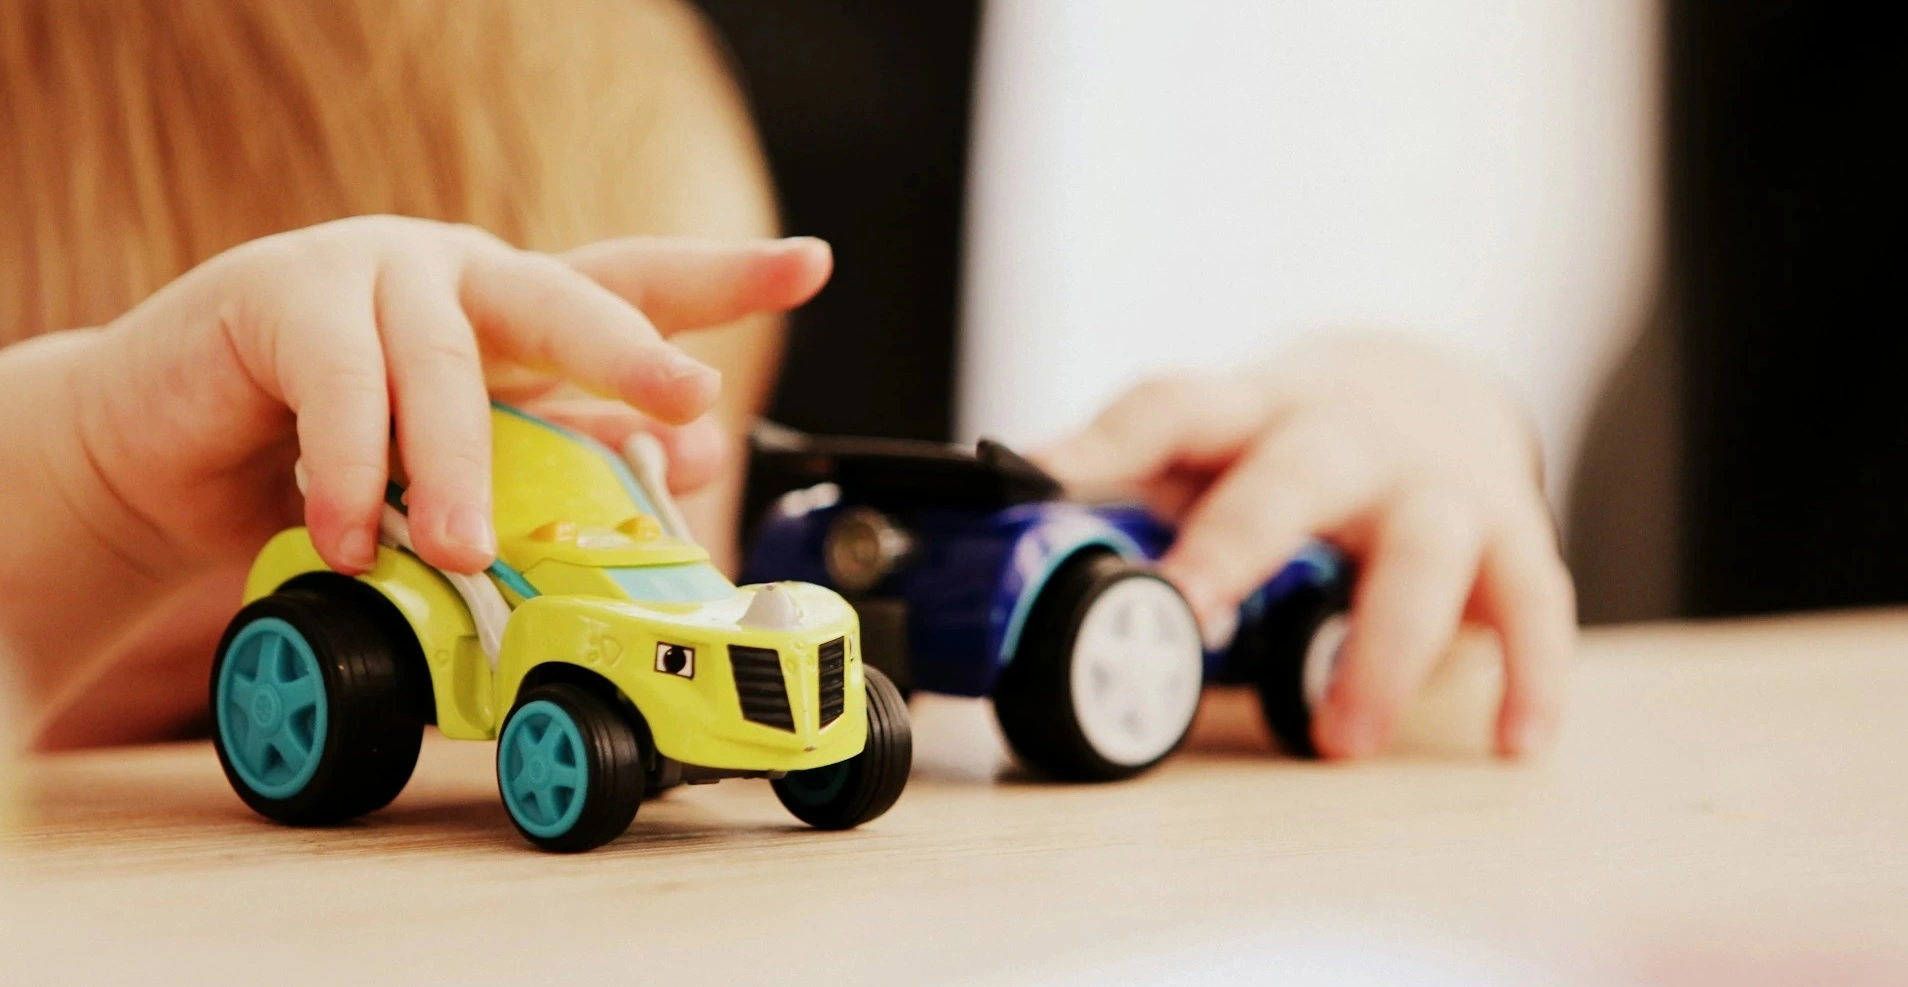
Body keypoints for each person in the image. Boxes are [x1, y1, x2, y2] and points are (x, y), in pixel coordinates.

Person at [0, 0, 1571, 762]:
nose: (681, 517)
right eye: (169, 721)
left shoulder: (660, 552)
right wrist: (78, 481)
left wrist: (1401, 413)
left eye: (666, 469)